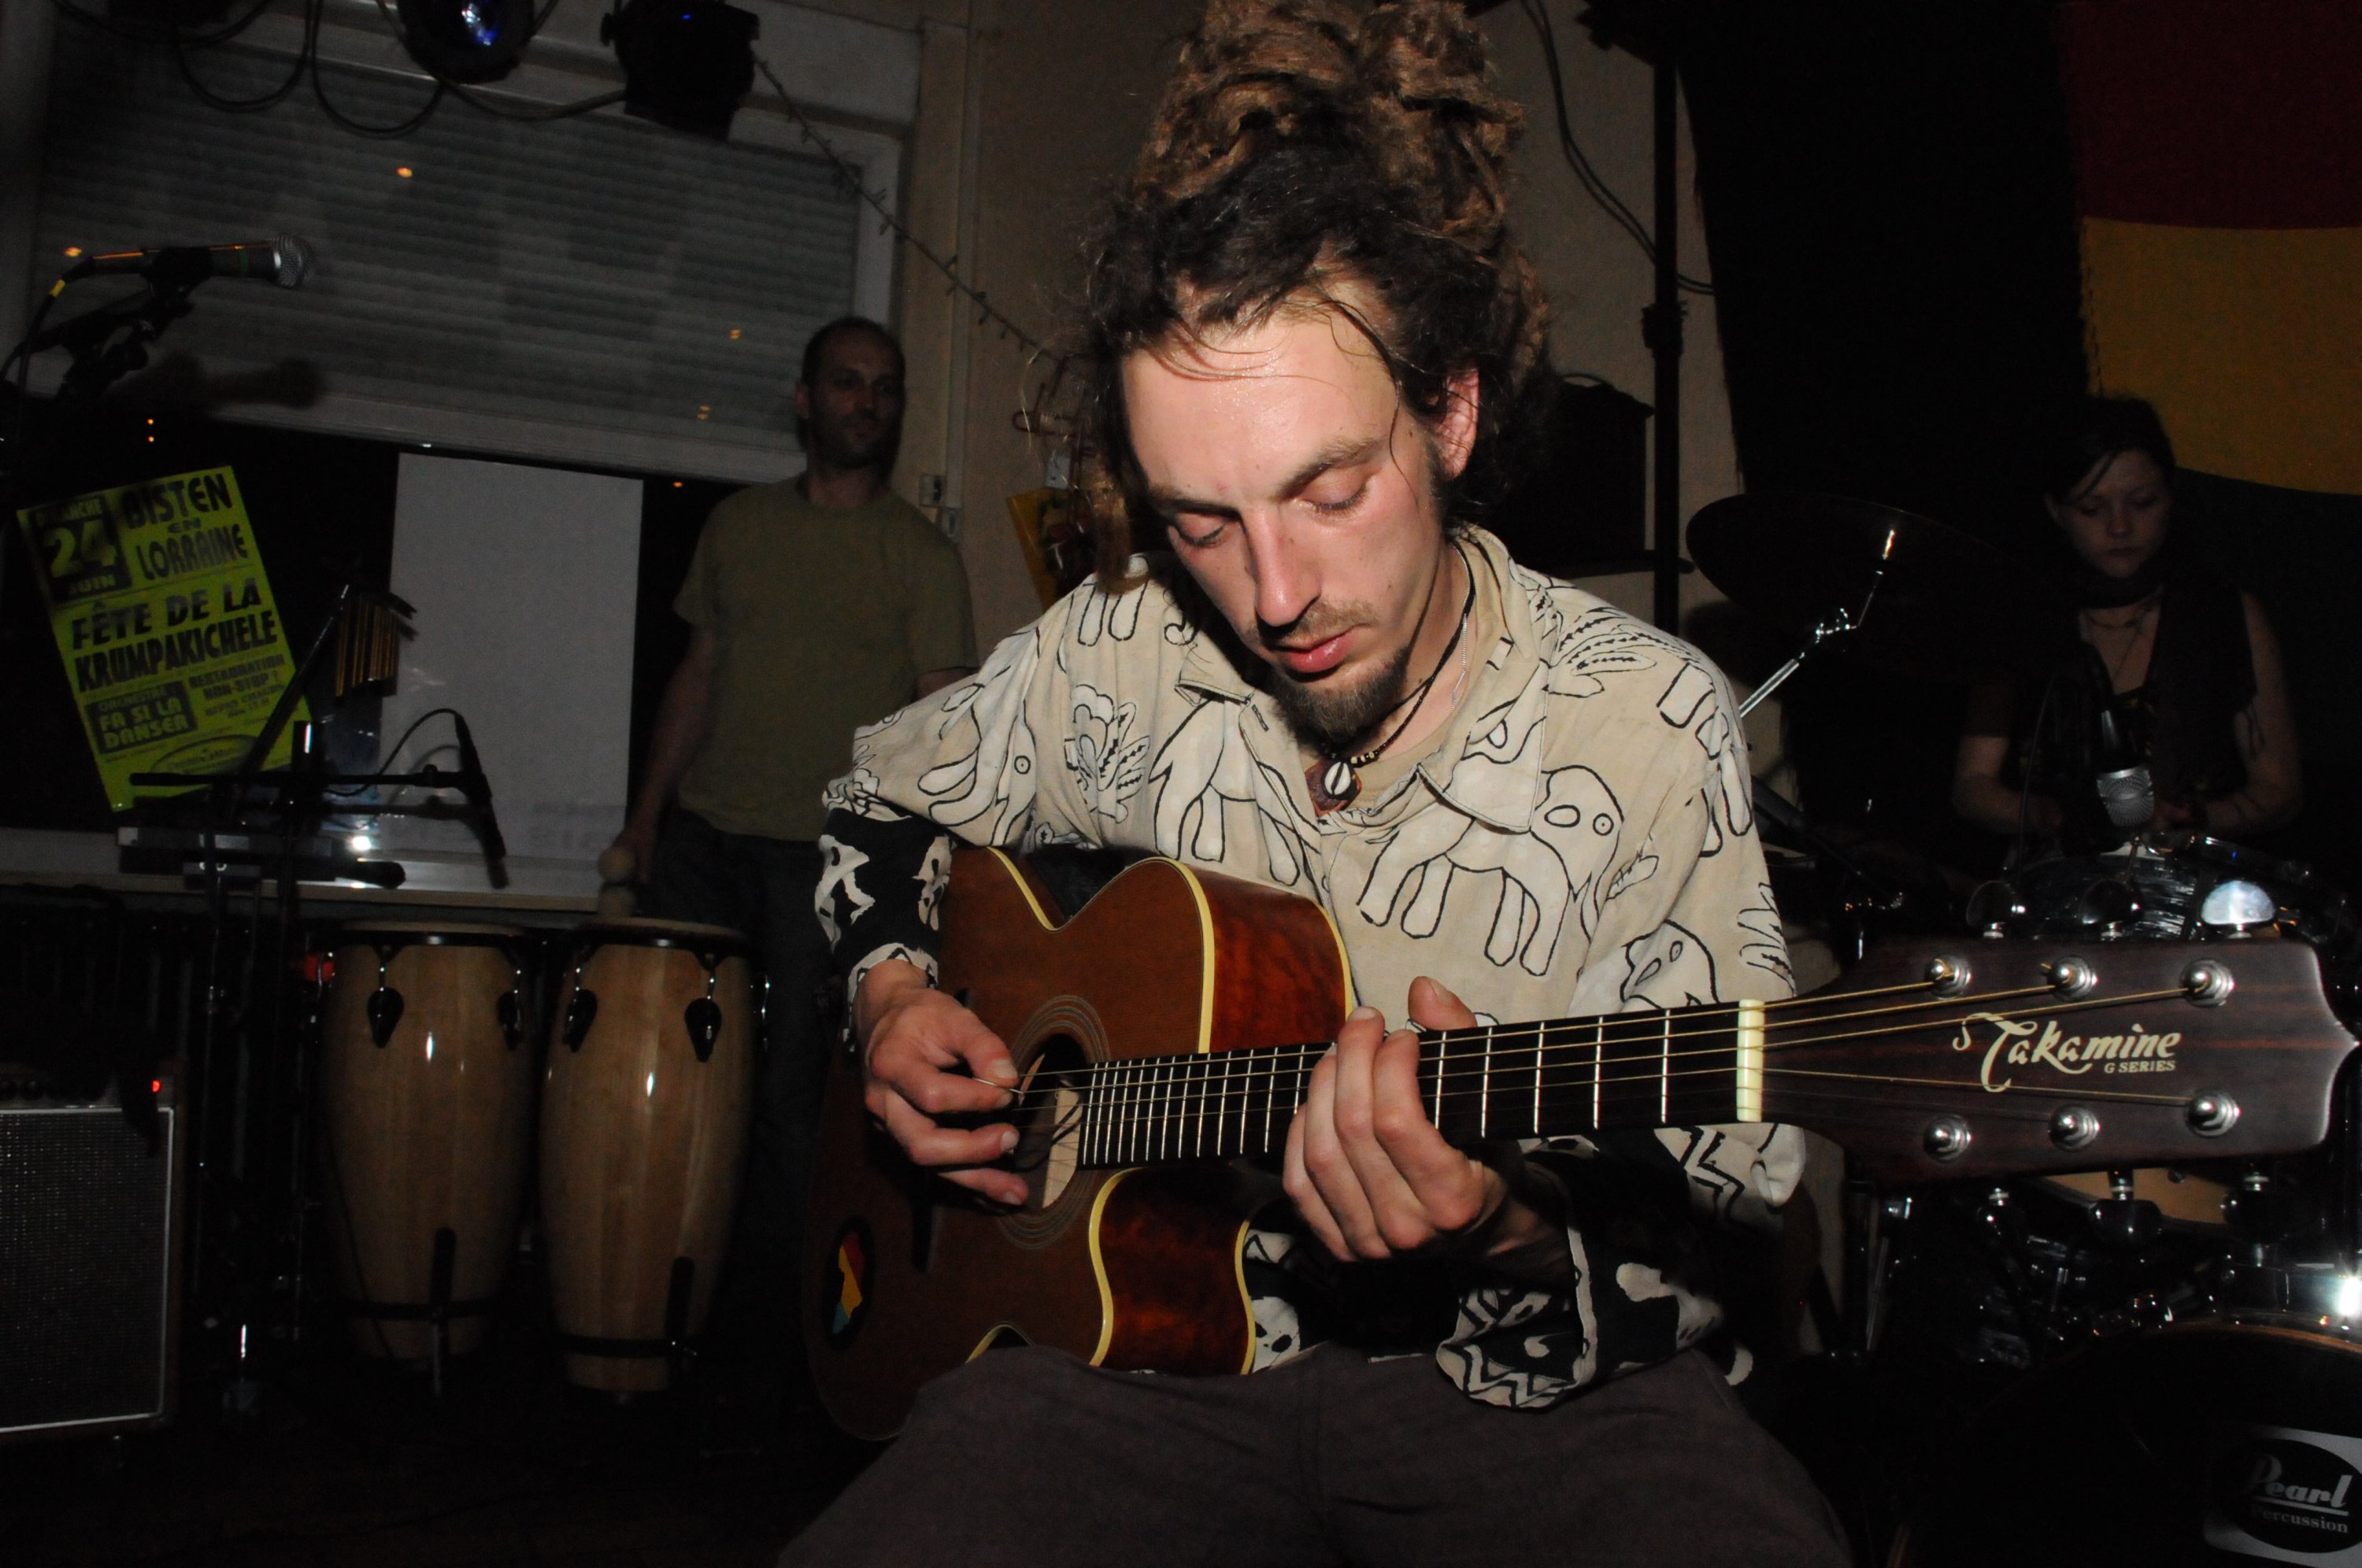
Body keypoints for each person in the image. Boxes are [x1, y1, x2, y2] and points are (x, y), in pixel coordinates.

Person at [780, 5, 1843, 1563]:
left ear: (1452, 411)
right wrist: (889, 997)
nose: (1274, 595)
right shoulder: (1128, 645)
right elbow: (880, 800)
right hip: (1142, 1359)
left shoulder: (1646, 725)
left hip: (1527, 1394)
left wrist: (1507, 1221)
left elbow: (1729, 1225)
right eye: (1202, 521)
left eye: (1330, 491)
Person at [611, 315, 977, 1404]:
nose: (869, 402)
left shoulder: (922, 557)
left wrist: (930, 874)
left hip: (821, 871)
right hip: (700, 849)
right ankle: (644, 1312)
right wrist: (643, 823)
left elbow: (942, 732)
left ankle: (769, 1355)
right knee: (669, 1094)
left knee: (786, 1112)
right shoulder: (738, 526)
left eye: (887, 387)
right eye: (849, 383)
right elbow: (695, 679)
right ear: (807, 399)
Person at [1953, 396, 2301, 852]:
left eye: (2141, 503)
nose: (2120, 528)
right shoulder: (2023, 616)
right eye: (2092, 509)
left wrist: (2192, 819)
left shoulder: (2223, 612)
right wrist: (2052, 814)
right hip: (2054, 875)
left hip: (2182, 876)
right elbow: (1973, 785)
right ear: (2056, 511)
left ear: (2170, 497)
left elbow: (2278, 788)